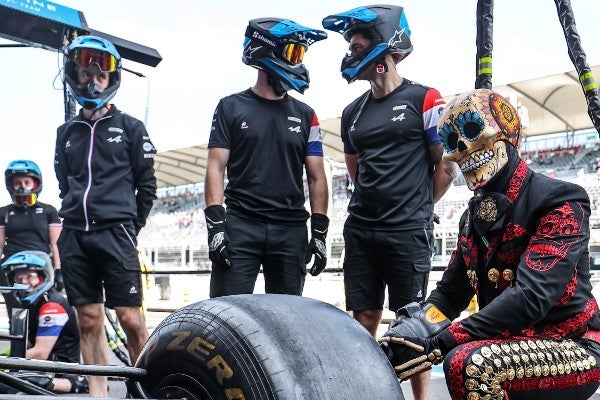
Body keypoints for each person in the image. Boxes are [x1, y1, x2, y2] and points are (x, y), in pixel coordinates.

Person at [381, 88, 600, 400]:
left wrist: (442, 343)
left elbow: (531, 297)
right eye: (450, 142)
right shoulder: (470, 220)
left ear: (506, 131)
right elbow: (448, 296)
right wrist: (408, 333)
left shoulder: (560, 199)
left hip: (575, 345)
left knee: (469, 364)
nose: (461, 149)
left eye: (471, 132)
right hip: (504, 344)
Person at [321, 6, 458, 400]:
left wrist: (416, 208)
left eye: (356, 43)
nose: (349, 50)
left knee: (411, 323)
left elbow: (444, 166)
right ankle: (366, 391)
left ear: (382, 50)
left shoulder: (426, 97)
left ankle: (420, 399)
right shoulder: (351, 113)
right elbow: (355, 170)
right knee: (363, 317)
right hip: (362, 229)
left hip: (408, 230)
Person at [54, 35, 157, 397]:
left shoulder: (131, 128)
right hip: (75, 235)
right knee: (88, 319)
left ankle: (145, 390)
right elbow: (65, 184)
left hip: (117, 233)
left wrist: (129, 225)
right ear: (74, 74)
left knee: (130, 317)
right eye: (85, 72)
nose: (92, 80)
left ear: (111, 78)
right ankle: (98, 395)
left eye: (100, 74)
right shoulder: (65, 133)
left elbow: (147, 186)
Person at [205, 18, 329, 297]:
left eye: (301, 54)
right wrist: (215, 227)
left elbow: (317, 175)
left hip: (290, 230)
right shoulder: (230, 107)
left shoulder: (307, 114)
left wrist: (319, 233)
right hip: (240, 226)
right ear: (266, 52)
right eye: (293, 52)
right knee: (226, 314)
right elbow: (215, 167)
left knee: (287, 319)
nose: (298, 62)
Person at [0, 251, 88, 394]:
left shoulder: (52, 306)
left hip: (63, 374)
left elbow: (40, 353)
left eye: (29, 276)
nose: (23, 282)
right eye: (18, 277)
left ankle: (81, 383)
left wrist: (4, 361)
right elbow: (27, 346)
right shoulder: (35, 304)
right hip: (42, 370)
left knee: (14, 383)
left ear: (42, 276)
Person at [0, 160, 63, 291]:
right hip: (12, 263)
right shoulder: (3, 212)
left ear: (35, 184)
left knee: (48, 300)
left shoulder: (48, 211)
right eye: (17, 183)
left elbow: (56, 244)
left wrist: (59, 270)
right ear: (11, 185)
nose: (22, 186)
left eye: (27, 182)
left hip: (41, 262)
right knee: (17, 307)